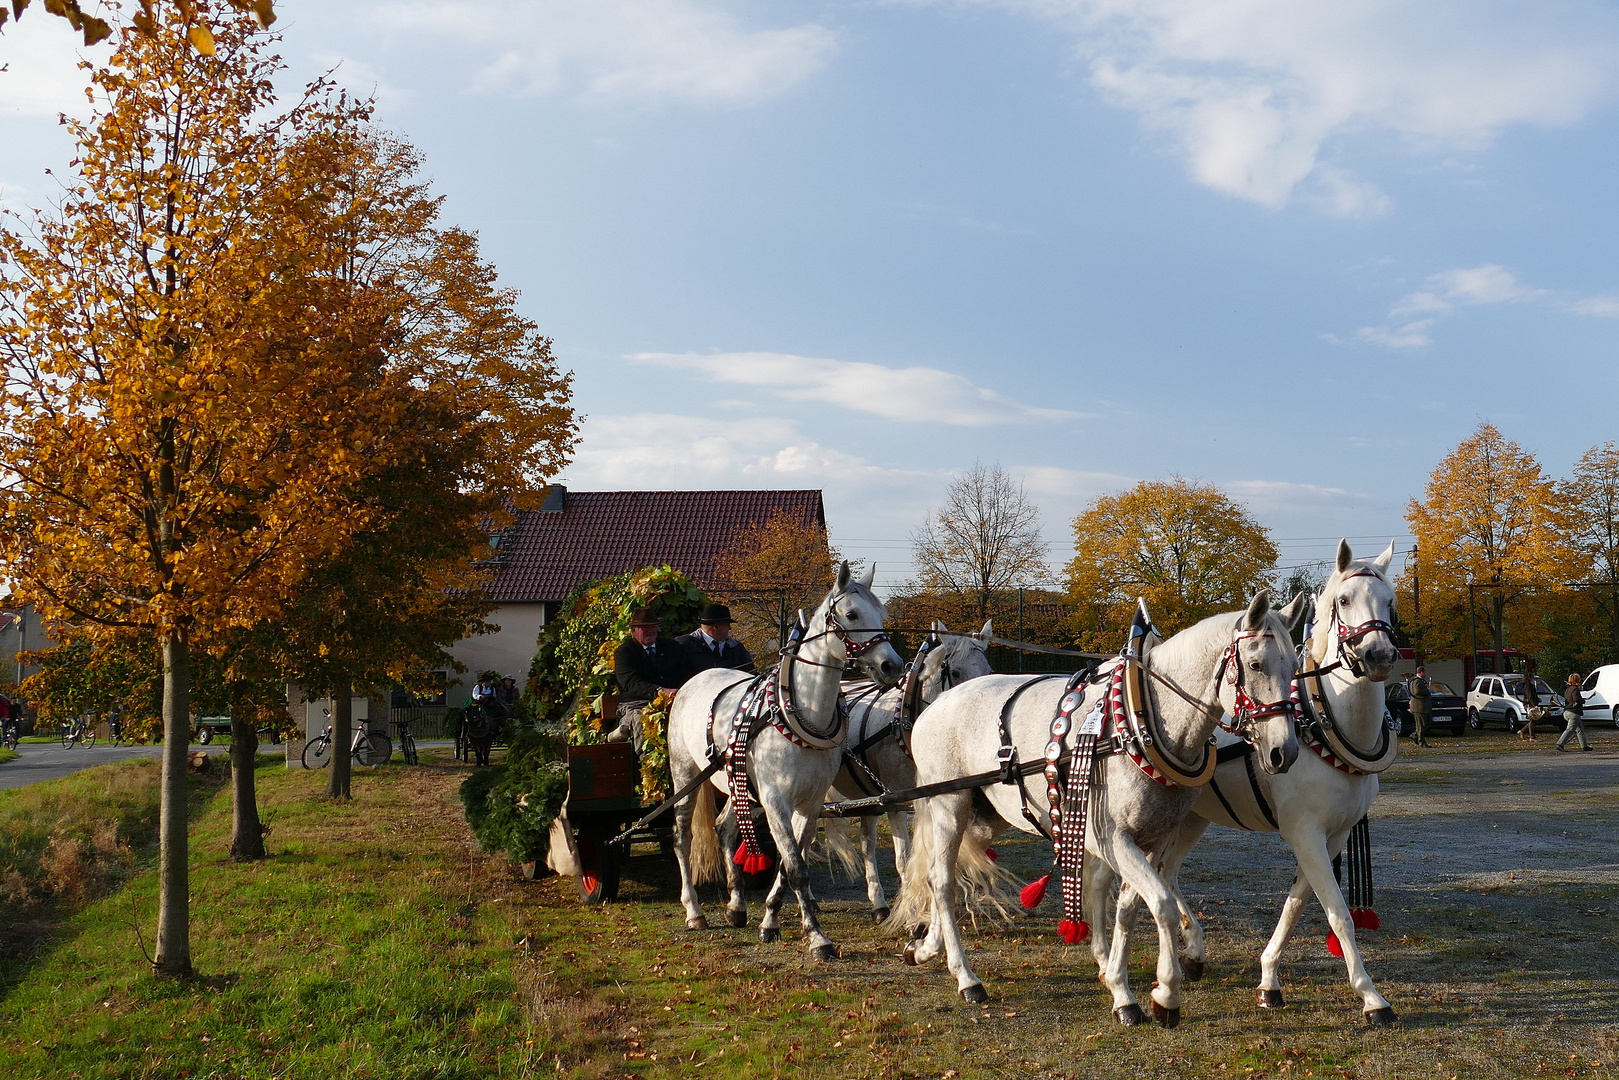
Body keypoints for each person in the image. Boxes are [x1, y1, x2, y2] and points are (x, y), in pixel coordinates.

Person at [609, 608, 686, 749]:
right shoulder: (624, 652)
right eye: (644, 628)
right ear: (634, 631)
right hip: (637, 704)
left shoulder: (672, 647)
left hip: (673, 701)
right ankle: (649, 765)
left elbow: (685, 673)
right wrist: (660, 691)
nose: (650, 631)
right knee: (642, 720)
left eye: (653, 626)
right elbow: (631, 683)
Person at [678, 603, 756, 678]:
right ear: (715, 627)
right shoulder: (684, 645)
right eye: (727, 625)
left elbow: (751, 675)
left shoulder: (736, 647)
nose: (730, 628)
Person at [1557, 671, 1591, 752]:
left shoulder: (1567, 689)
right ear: (1576, 680)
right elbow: (1577, 699)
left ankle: (1585, 746)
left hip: (1567, 712)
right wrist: (1583, 701)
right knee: (1570, 729)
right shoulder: (1575, 689)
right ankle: (1560, 744)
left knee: (1580, 730)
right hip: (1573, 713)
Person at [1407, 666, 1433, 748]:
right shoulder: (1417, 681)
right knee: (1421, 725)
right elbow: (1417, 691)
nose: (1425, 674)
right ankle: (1421, 741)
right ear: (1421, 672)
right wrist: (1427, 690)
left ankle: (1415, 736)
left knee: (1426, 724)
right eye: (1424, 672)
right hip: (1419, 707)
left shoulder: (1420, 681)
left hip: (1423, 707)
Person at [1518, 666, 1542, 741]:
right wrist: (1534, 705)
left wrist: (1537, 699)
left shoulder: (1528, 685)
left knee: (1534, 720)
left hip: (1531, 703)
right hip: (1530, 704)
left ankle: (1522, 731)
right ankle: (1532, 737)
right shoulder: (1528, 685)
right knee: (1533, 720)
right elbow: (1530, 696)